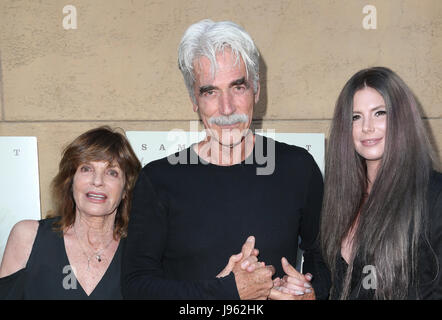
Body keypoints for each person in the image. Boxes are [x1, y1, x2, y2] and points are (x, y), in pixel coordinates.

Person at [121, 19, 330, 300]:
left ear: (256, 89)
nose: (227, 108)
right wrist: (228, 292)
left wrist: (310, 291)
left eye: (238, 87)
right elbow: (137, 288)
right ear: (194, 100)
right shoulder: (158, 180)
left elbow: (325, 259)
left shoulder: (298, 168)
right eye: (210, 92)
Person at [317, 67, 442, 299]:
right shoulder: (340, 200)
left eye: (379, 113)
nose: (367, 127)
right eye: (356, 117)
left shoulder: (434, 195)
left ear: (401, 118)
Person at [0, 126, 141, 299]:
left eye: (112, 172)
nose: (97, 181)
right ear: (70, 181)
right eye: (86, 169)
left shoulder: (141, 251)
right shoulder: (29, 237)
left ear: (126, 189)